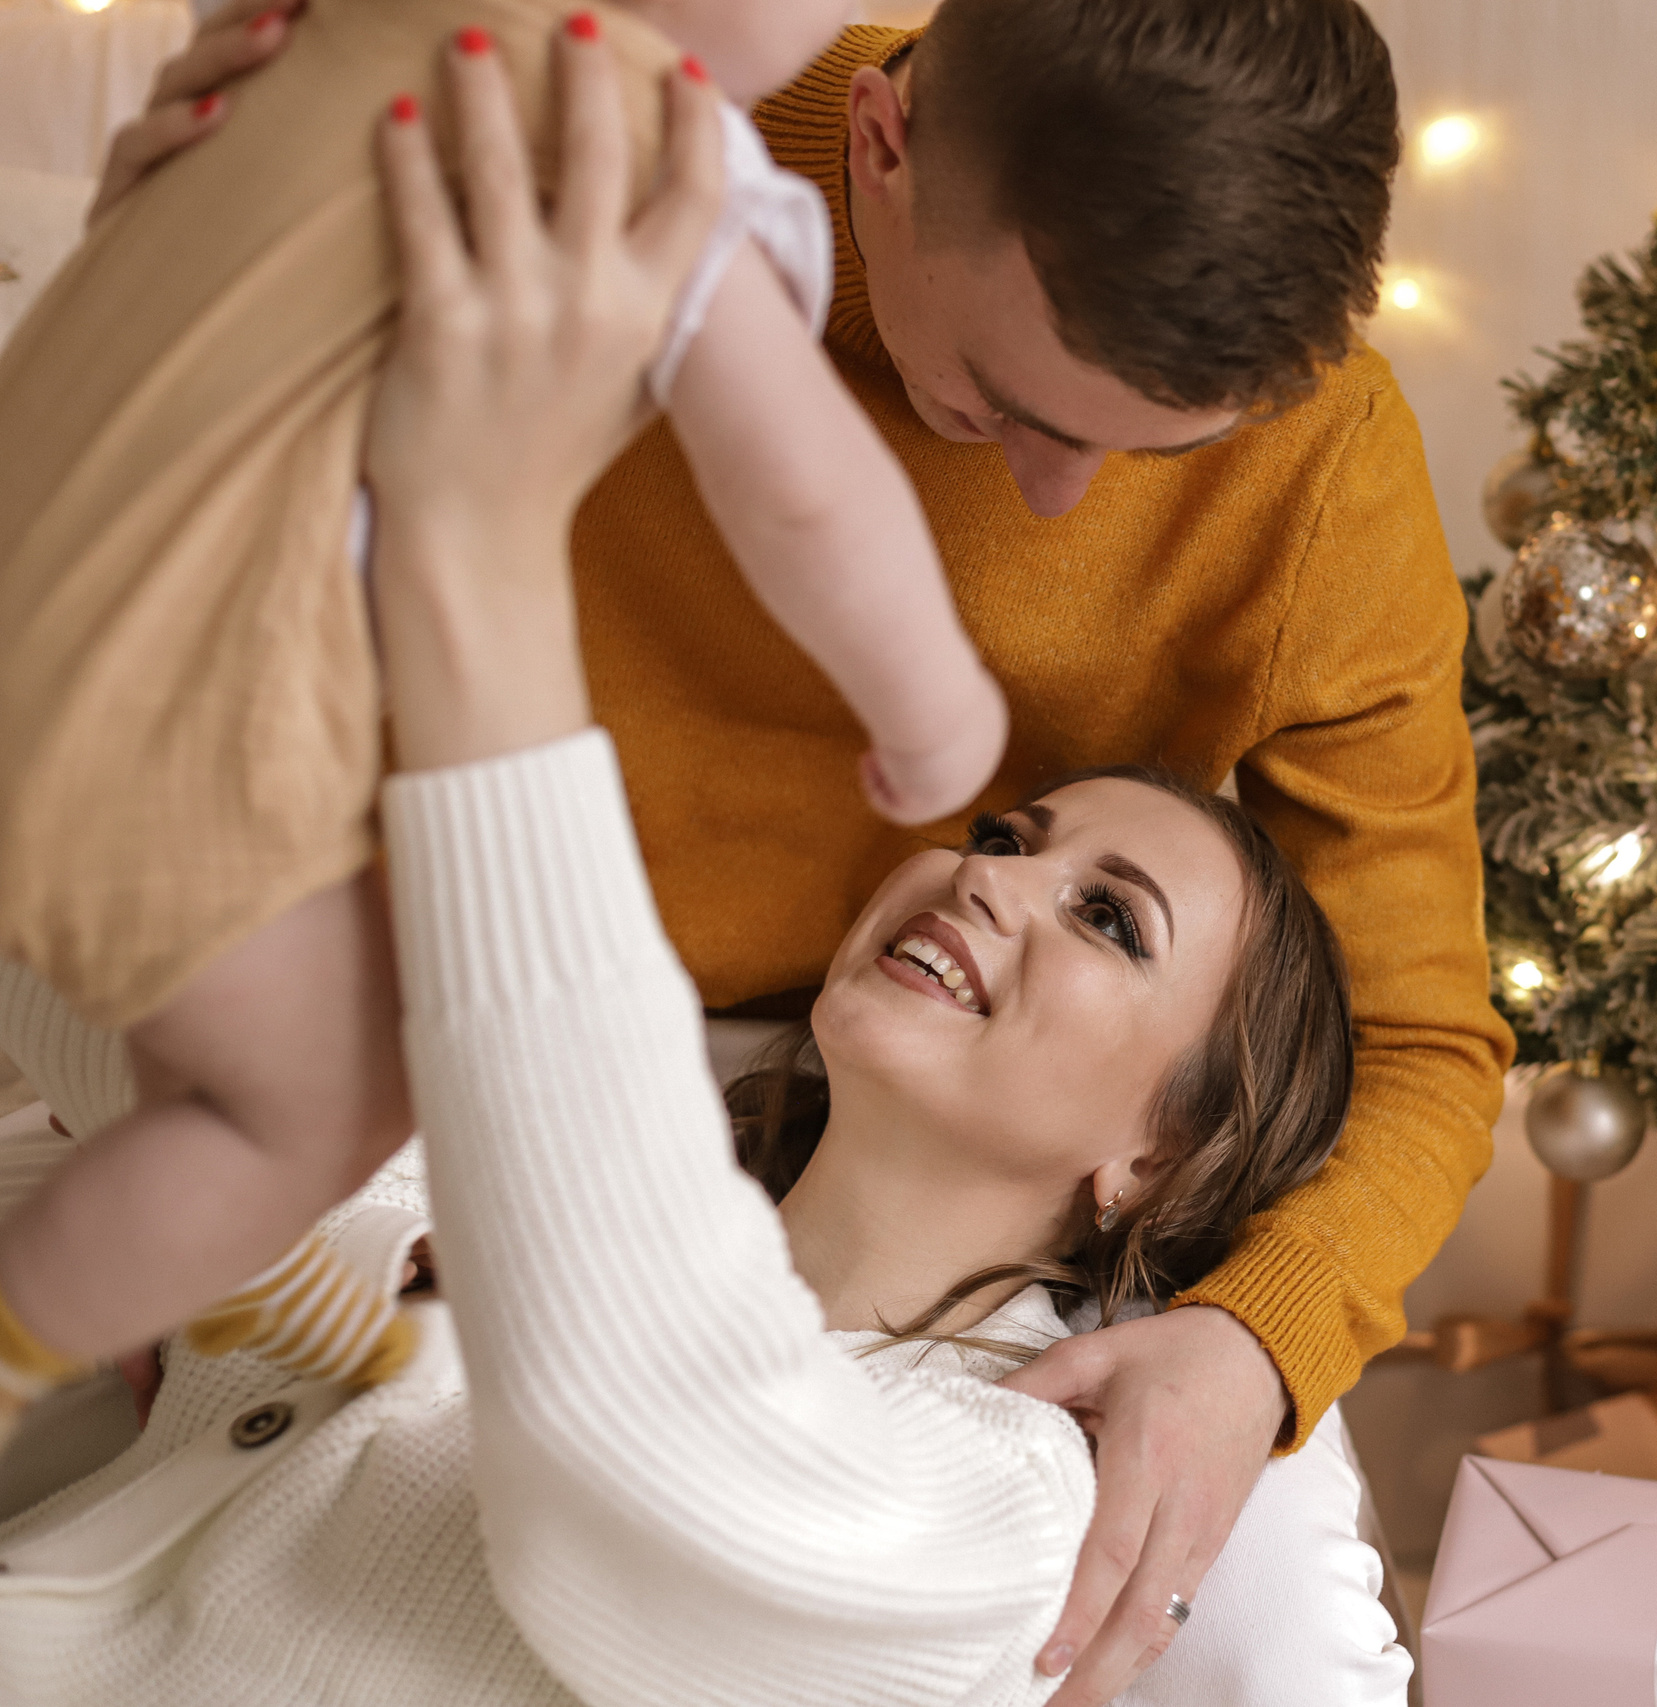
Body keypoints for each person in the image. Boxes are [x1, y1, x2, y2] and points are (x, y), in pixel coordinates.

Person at [118, 5, 1517, 1699]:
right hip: (435, 967)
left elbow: (1422, 1038)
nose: (1064, 501)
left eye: (1153, 448)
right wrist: (153, 290)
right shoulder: (574, 143)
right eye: (1009, 404)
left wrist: (1253, 1340)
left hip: (917, 1098)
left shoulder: (1319, 464)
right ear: (880, 148)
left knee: (1273, 1626)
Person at [0, 0, 1021, 1444]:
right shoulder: (643, 151)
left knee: (330, 976)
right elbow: (807, 497)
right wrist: (942, 714)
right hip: (149, 698)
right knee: (317, 1094)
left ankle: (234, 1264)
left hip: (43, 569)